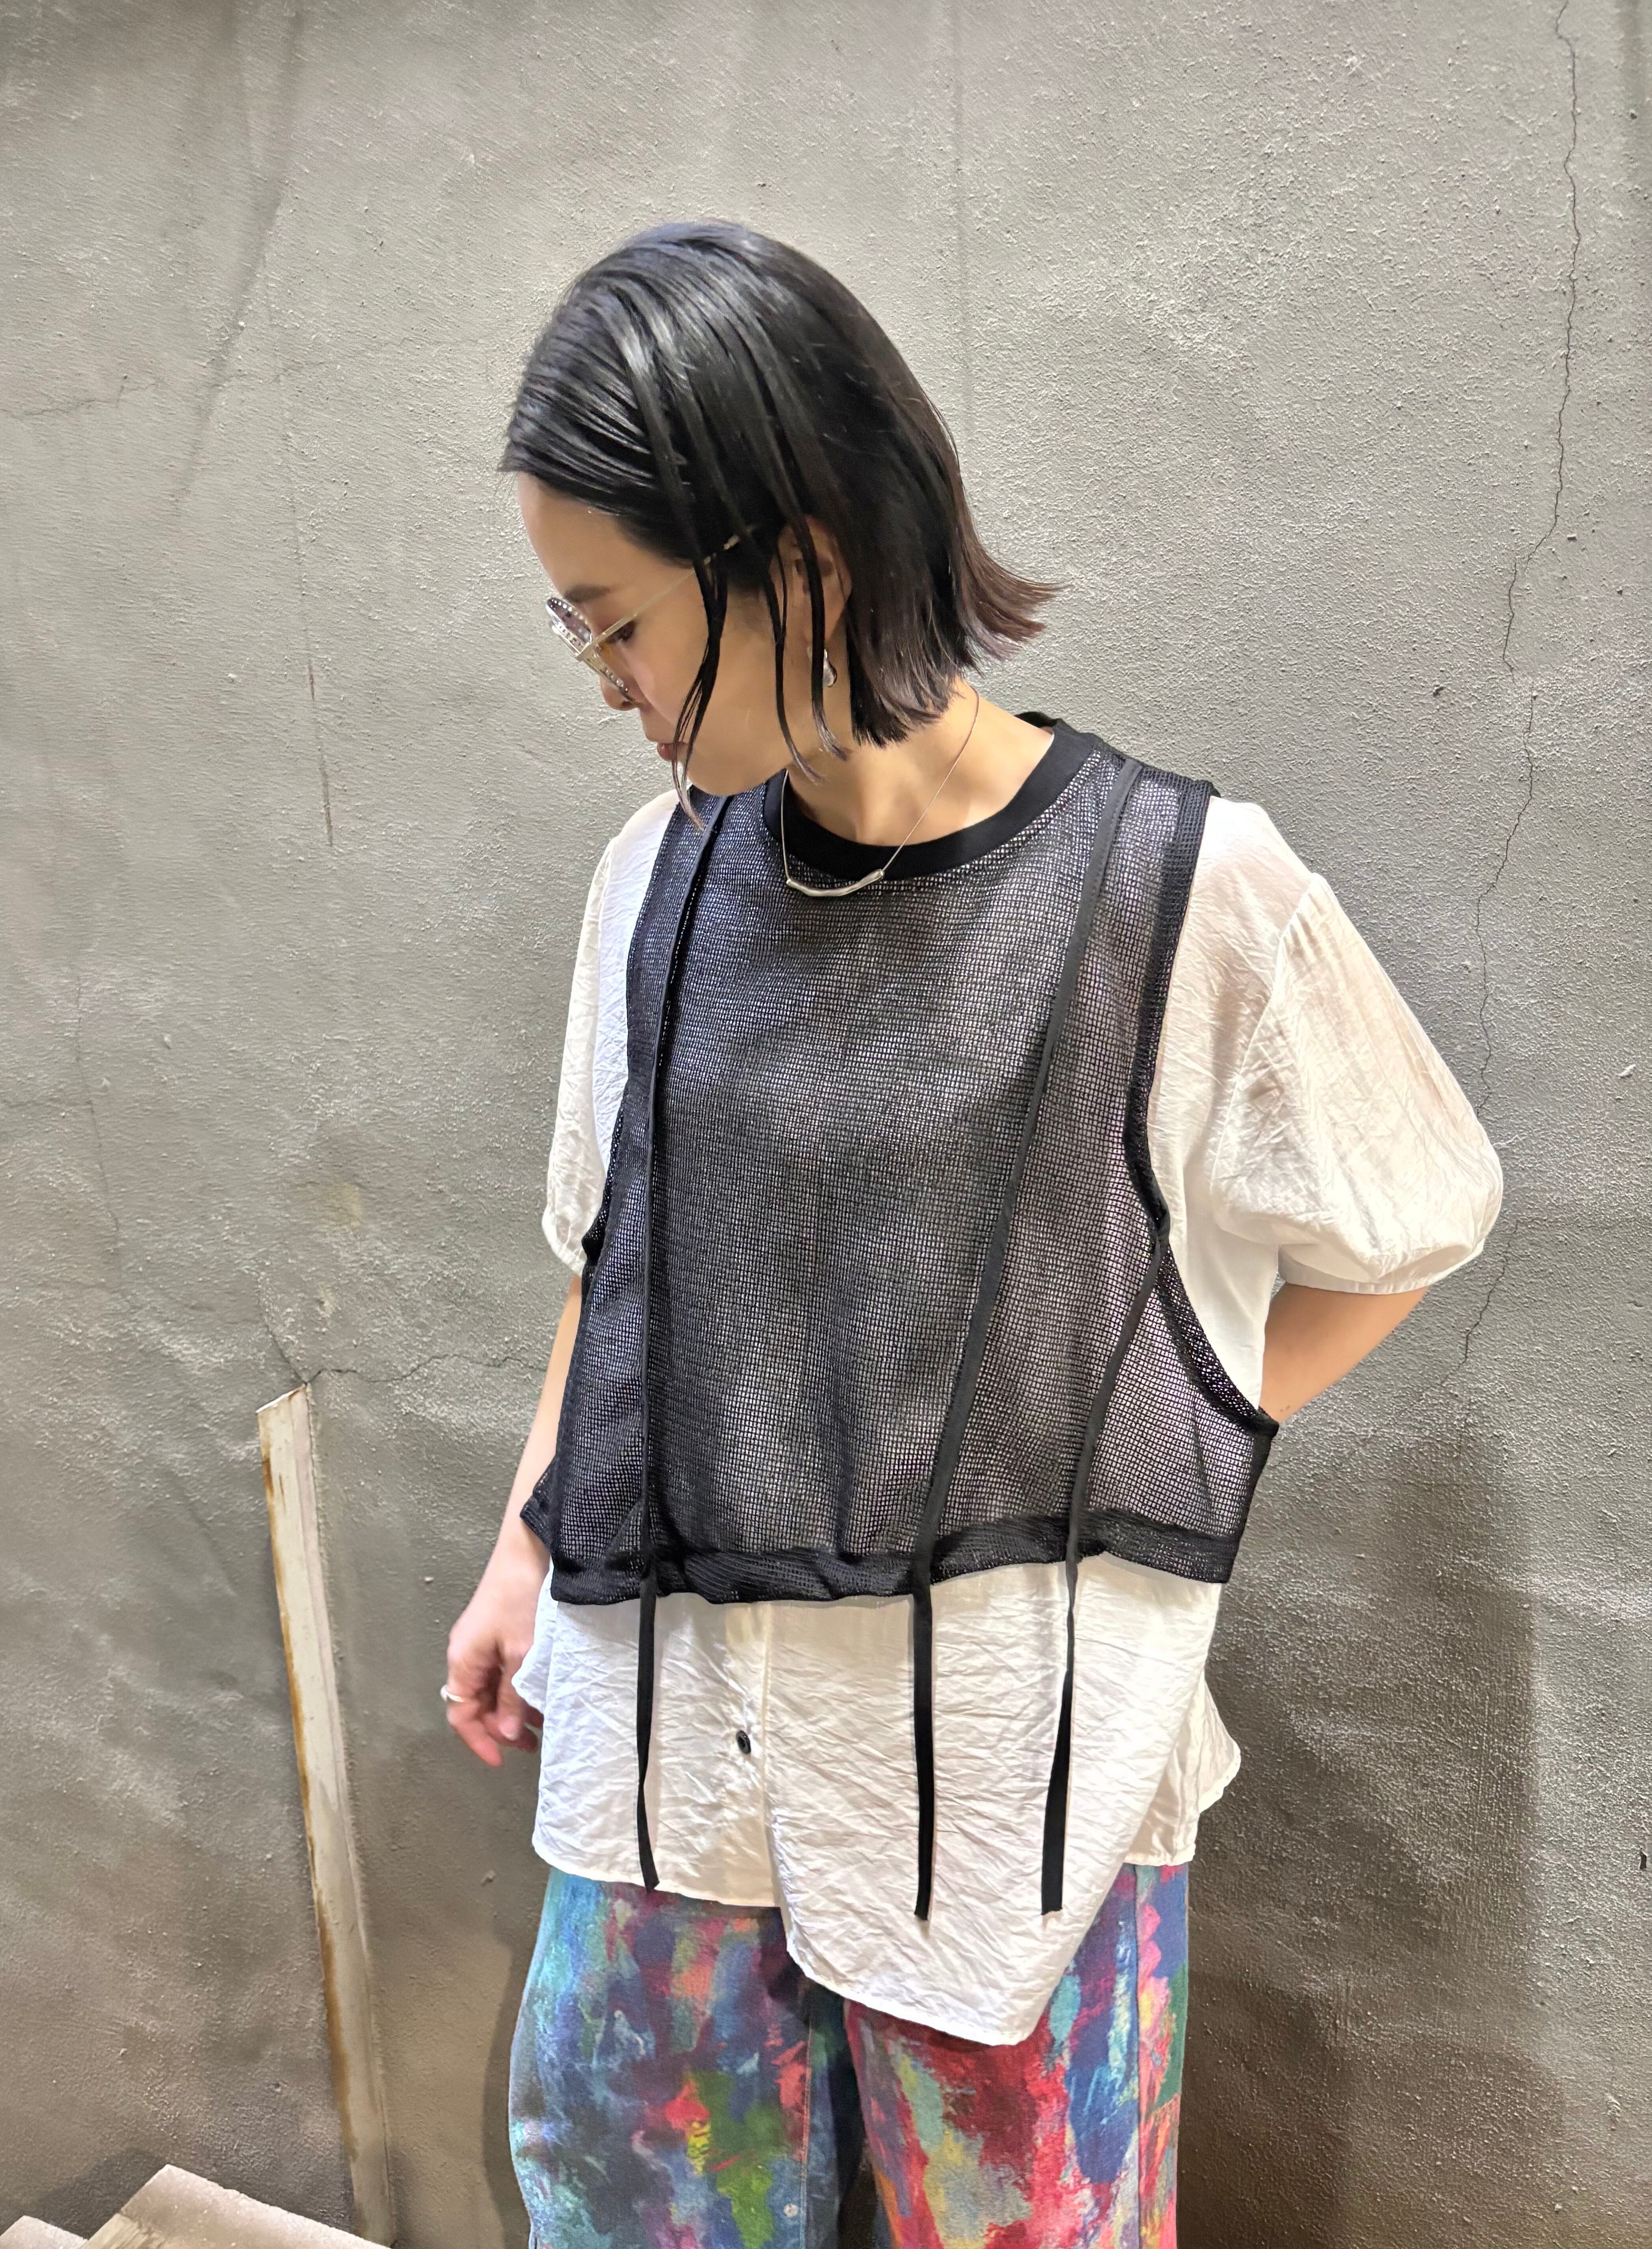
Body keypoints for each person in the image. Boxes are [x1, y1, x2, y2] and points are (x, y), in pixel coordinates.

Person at [443, 220, 1502, 2249]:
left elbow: (1416, 1214)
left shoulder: (1178, 890)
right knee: (635, 2195)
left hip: (1013, 1779)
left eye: (618, 627)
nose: (609, 689)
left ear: (801, 562)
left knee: (1030, 2222)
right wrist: (519, 1549)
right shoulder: (652, 882)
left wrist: (1156, 1420)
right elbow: (620, 1253)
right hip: (672, 1747)